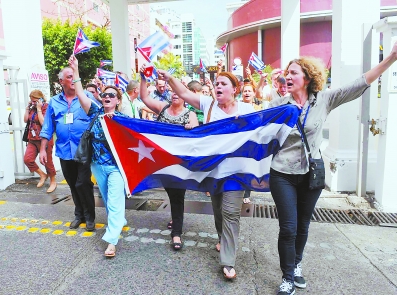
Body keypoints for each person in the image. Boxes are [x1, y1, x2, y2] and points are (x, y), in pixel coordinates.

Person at [268, 42, 397, 295]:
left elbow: (359, 84)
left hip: (311, 174)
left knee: (303, 225)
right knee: (288, 227)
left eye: (293, 72)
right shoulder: (279, 104)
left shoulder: (324, 100)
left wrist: (391, 58)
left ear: (307, 77)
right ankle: (286, 277)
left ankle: (296, 266)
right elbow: (258, 130)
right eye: (287, 72)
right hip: (282, 173)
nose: (288, 76)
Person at [156, 68, 255, 279]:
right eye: (216, 84)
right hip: (214, 171)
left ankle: (228, 261)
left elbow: (261, 129)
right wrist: (170, 78)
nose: (218, 87)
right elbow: (184, 94)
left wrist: (246, 122)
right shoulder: (208, 104)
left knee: (231, 213)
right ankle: (222, 237)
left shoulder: (247, 108)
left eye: (223, 84)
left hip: (236, 172)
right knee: (219, 211)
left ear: (235, 89)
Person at [68, 55, 128, 257]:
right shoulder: (95, 111)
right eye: (105, 94)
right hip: (97, 166)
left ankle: (111, 241)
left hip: (116, 168)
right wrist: (75, 70)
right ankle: (118, 221)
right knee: (109, 199)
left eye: (112, 95)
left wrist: (117, 123)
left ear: (118, 100)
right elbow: (80, 94)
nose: (107, 97)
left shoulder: (123, 119)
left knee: (113, 200)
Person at [140, 64, 199, 250]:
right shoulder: (162, 108)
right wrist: (143, 77)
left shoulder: (190, 114)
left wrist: (191, 128)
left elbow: (196, 134)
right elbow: (144, 97)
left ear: (184, 95)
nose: (174, 93)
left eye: (178, 90)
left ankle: (177, 234)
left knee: (177, 197)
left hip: (180, 165)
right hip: (162, 164)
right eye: (172, 90)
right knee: (172, 194)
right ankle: (176, 217)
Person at [39, 67, 95, 232]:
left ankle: (90, 216)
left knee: (83, 183)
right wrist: (43, 150)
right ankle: (79, 215)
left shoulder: (86, 97)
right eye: (69, 77)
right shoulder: (54, 102)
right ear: (61, 81)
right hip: (64, 150)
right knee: (72, 183)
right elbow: (48, 127)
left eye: (74, 76)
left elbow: (98, 116)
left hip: (83, 149)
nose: (73, 79)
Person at [23, 90, 57, 193]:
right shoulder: (32, 107)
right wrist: (27, 108)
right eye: (31, 100)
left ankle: (53, 181)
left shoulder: (46, 107)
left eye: (34, 100)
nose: (33, 102)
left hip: (44, 139)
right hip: (32, 139)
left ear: (40, 99)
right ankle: (42, 174)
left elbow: (44, 123)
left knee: (47, 161)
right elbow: (25, 120)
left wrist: (38, 109)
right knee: (27, 159)